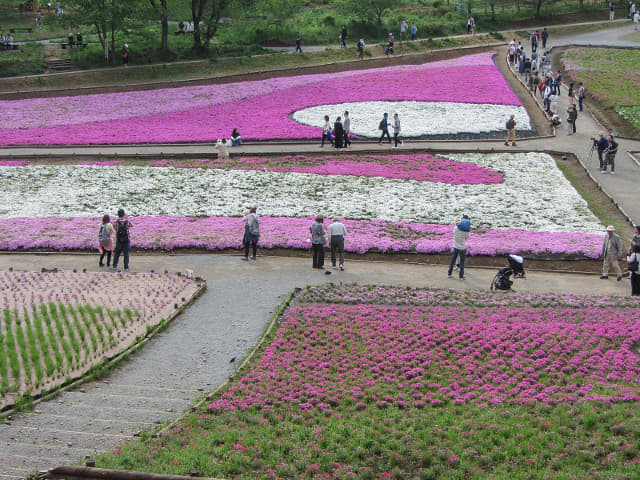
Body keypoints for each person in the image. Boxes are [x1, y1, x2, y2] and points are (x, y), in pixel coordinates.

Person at [447, 215, 471, 280]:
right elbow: (468, 236)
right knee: (462, 262)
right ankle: (461, 276)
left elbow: (454, 233)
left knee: (453, 260)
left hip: (455, 246)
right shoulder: (465, 231)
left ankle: (449, 274)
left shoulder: (455, 228)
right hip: (462, 248)